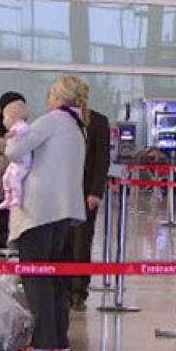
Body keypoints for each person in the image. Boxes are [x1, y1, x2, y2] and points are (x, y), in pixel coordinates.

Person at [7, 75, 88, 351]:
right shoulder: (77, 128)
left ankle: (42, 343)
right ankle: (57, 338)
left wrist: (14, 125)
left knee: (36, 277)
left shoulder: (52, 120)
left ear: (57, 98)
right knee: (54, 279)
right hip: (63, 213)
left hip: (39, 211)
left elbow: (14, 149)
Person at [69, 108, 110, 312]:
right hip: (62, 192)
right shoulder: (58, 119)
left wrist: (95, 191)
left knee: (81, 241)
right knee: (62, 241)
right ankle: (62, 286)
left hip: (85, 191)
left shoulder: (98, 121)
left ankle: (78, 290)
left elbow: (102, 159)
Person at [0, 101, 31, 210]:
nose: (3, 121)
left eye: (5, 117)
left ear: (13, 117)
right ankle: (8, 198)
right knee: (6, 178)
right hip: (15, 161)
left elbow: (23, 130)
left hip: (22, 162)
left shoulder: (21, 126)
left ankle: (17, 197)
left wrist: (13, 133)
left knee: (15, 179)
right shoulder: (14, 128)